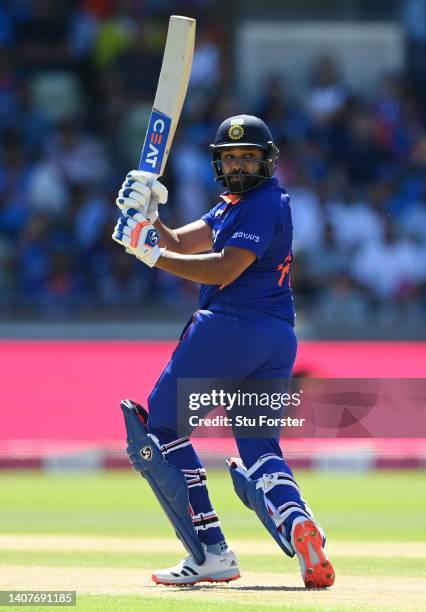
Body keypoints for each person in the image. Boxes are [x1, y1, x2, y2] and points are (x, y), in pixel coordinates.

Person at [112, 115, 335, 588]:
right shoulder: (235, 207)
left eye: (247, 156)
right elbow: (177, 240)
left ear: (267, 160)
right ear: (219, 162)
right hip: (276, 338)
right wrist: (148, 214)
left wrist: (152, 255)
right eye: (230, 157)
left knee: (163, 430)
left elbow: (223, 270)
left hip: (231, 327)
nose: (237, 164)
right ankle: (299, 527)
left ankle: (211, 552)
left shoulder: (263, 204)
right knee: (258, 447)